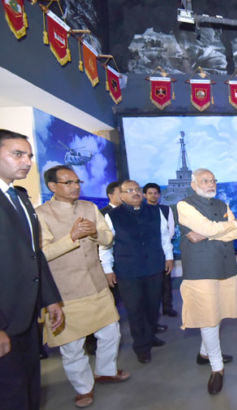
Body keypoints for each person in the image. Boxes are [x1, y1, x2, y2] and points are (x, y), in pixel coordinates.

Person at [36, 165, 130, 408]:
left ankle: (105, 371)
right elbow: (41, 254)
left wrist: (95, 233)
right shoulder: (41, 214)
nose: (75, 186)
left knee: (111, 332)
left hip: (97, 285)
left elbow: (108, 238)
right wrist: (72, 237)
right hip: (66, 291)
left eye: (77, 182)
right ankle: (83, 388)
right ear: (52, 186)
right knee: (72, 346)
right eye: (68, 182)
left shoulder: (89, 207)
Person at [0, 129, 64, 410]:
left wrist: (50, 298)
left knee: (29, 388)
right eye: (18, 154)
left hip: (26, 317)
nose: (27, 162)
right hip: (4, 320)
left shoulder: (20, 199)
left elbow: (33, 255)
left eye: (29, 155)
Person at [176, 168, 237, 395]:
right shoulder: (184, 205)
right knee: (208, 317)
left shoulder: (221, 204)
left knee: (216, 312)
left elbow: (234, 233)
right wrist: (229, 226)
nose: (210, 184)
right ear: (194, 184)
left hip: (225, 267)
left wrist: (210, 232)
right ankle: (217, 368)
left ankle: (204, 353)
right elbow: (215, 229)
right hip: (201, 270)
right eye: (205, 180)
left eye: (213, 180)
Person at [99, 180, 173, 364]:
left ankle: (150, 336)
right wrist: (107, 269)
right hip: (128, 270)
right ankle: (141, 347)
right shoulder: (112, 216)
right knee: (135, 309)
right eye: (129, 190)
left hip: (154, 267)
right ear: (121, 195)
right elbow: (105, 246)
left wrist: (169, 257)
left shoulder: (155, 211)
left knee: (152, 306)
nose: (135, 193)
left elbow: (164, 237)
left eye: (138, 189)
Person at [85, 180, 123, 356]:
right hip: (105, 265)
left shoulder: (129, 212)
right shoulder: (102, 214)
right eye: (121, 192)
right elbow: (101, 244)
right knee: (104, 305)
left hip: (124, 264)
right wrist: (107, 268)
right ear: (110, 195)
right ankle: (92, 341)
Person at [143, 182, 178, 317]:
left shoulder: (166, 209)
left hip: (164, 250)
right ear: (145, 195)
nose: (153, 195)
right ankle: (153, 311)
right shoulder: (140, 210)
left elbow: (171, 229)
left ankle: (167, 307)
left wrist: (163, 244)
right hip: (147, 253)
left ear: (159, 195)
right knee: (150, 283)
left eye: (156, 193)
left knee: (166, 281)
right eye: (150, 193)